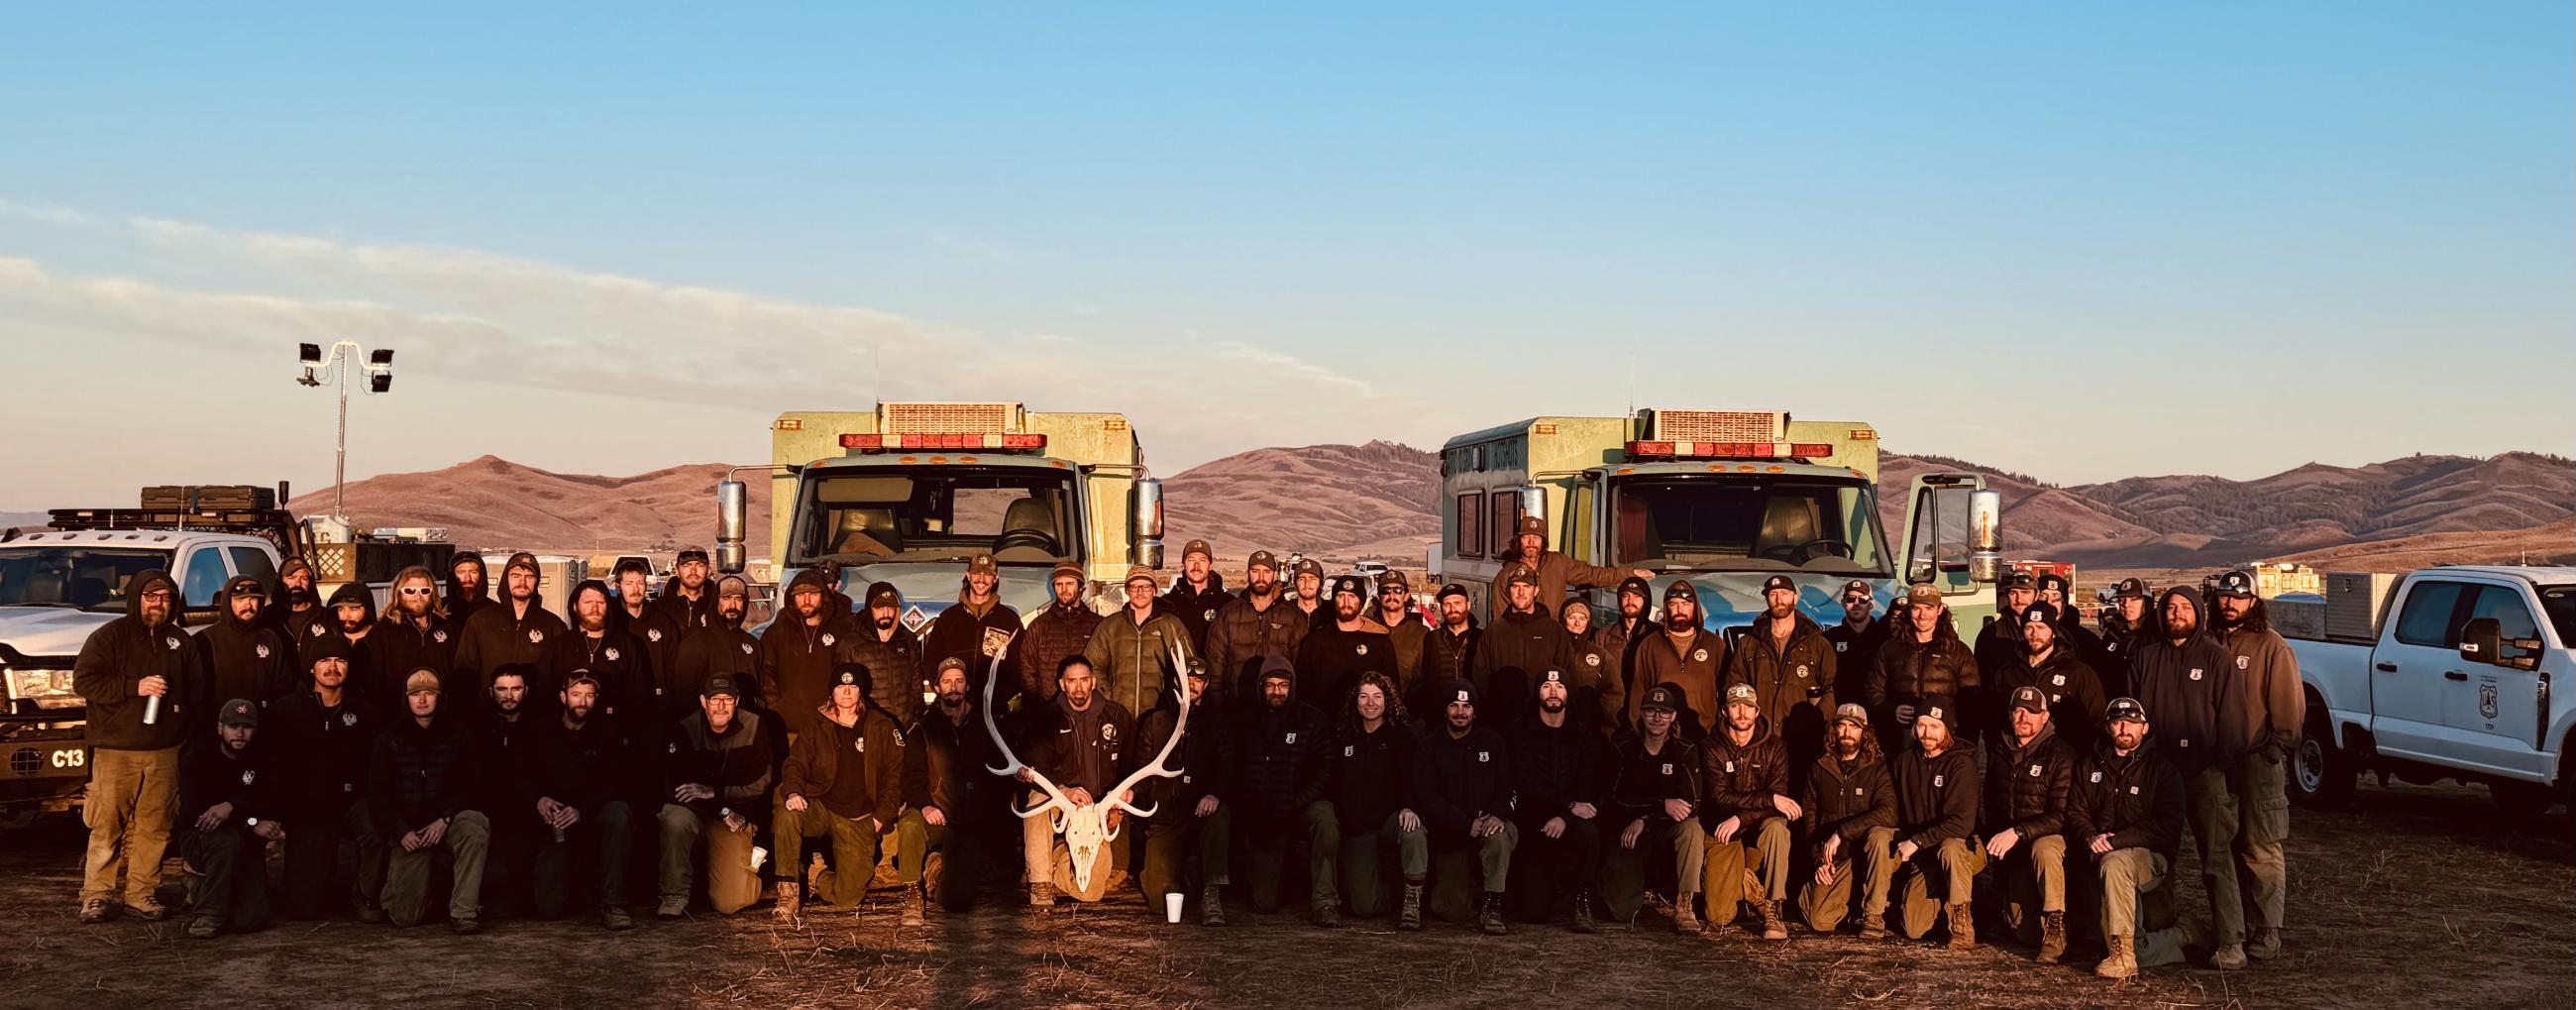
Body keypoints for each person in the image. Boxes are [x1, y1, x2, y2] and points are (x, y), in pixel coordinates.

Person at [72, 569, 201, 923]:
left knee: (156, 827)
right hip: (116, 750)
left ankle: (142, 894)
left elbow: (197, 694)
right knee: (107, 826)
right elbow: (84, 681)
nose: (159, 604)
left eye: (166, 598)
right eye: (152, 597)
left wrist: (182, 731)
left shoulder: (181, 641)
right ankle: (97, 896)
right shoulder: (109, 637)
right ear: (137, 599)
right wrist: (134, 687)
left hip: (165, 752)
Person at [2126, 585, 2239, 966]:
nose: (2176, 613)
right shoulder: (2144, 657)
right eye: (2169, 607)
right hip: (2155, 775)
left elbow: (2232, 719)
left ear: (2198, 614)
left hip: (2204, 774)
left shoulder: (2216, 659)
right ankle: (2164, 931)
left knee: (2216, 859)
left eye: (2184, 608)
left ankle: (2231, 941)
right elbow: (2130, 715)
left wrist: (2220, 763)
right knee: (2157, 857)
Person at [2210, 569, 2304, 967]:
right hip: (2215, 762)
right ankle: (2234, 929)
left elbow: (2290, 709)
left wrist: (2274, 750)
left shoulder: (2271, 647)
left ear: (2254, 601)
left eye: (2239, 597)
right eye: (2224, 597)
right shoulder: (2208, 643)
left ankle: (2267, 929)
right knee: (2222, 850)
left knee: (2260, 848)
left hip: (2257, 761)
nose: (2229, 603)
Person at [2072, 698, 2196, 979]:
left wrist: (2117, 841)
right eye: (2117, 722)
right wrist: (2089, 836)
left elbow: (2168, 826)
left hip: (2149, 858)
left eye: (2132, 722)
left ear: (2145, 728)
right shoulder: (2088, 765)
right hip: (2099, 854)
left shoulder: (2163, 770)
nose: (2124, 728)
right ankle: (2182, 935)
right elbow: (2075, 811)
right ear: (2108, 727)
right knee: (2111, 867)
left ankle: (2123, 956)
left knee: (2115, 863)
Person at [266, 636, 387, 922]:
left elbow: (378, 767)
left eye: (340, 661)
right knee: (304, 909)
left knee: (376, 824)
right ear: (311, 668)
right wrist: (280, 813)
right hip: (308, 811)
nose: (333, 667)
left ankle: (366, 894)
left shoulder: (365, 711)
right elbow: (273, 767)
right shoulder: (285, 711)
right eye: (324, 661)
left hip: (351, 804)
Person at [773, 665, 906, 917]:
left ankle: (817, 875)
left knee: (848, 897)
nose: (846, 692)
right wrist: (793, 792)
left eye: (852, 686)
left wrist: (880, 818)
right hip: (821, 805)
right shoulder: (817, 725)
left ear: (861, 691)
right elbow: (795, 763)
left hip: (858, 816)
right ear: (831, 692)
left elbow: (895, 777)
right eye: (840, 687)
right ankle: (788, 891)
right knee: (786, 810)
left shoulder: (882, 726)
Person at [370, 670, 491, 932]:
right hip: (411, 830)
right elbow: (379, 795)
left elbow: (470, 785)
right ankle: (430, 891)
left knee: (475, 825)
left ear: (440, 698)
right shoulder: (390, 738)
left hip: (446, 822)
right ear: (406, 698)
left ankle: (463, 911)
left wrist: (445, 818)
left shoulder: (459, 735)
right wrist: (401, 831)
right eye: (415, 694)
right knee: (403, 916)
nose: (422, 699)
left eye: (429, 694)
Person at [1016, 656, 1139, 908]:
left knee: (1091, 892)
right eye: (1072, 681)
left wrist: (1121, 802)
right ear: (1062, 684)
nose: (1079, 687)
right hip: (1060, 800)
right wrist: (1063, 790)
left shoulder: (1117, 715)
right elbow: (1036, 765)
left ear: (1093, 681)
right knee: (1036, 804)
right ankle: (1040, 883)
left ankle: (1054, 857)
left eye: (1084, 680)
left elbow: (1132, 764)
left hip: (1098, 807)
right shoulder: (1047, 717)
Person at [656, 674, 779, 918]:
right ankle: (674, 894)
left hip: (736, 816)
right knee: (674, 818)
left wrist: (717, 794)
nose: (721, 706)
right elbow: (679, 787)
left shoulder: (755, 725)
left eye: (728, 699)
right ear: (703, 701)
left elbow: (760, 782)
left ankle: (752, 877)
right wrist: (720, 807)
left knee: (730, 903)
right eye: (714, 700)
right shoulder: (684, 728)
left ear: (737, 701)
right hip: (702, 812)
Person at [1313, 672, 1424, 927]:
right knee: (1364, 907)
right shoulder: (1344, 736)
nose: (1370, 703)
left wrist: (1409, 807)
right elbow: (1331, 782)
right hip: (1358, 828)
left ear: (1388, 701)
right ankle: (1388, 888)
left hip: (1389, 820)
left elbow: (1412, 780)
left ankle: (1413, 899)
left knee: (1413, 829)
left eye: (1377, 696)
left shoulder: (1402, 736)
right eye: (1364, 696)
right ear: (1356, 701)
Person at [897, 657, 1004, 920]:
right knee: (910, 823)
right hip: (935, 815)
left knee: (958, 901)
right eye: (947, 681)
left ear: (967, 686)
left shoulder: (987, 727)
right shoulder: (922, 730)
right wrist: (925, 804)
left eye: (959, 681)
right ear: (937, 687)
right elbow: (911, 778)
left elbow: (997, 774)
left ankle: (936, 868)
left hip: (968, 822)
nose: (953, 687)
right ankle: (912, 892)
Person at [532, 673, 641, 930]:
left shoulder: (608, 733)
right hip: (553, 823)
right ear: (563, 697)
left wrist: (582, 810)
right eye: (576, 694)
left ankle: (613, 903)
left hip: (592, 815)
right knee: (549, 910)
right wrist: (539, 799)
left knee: (618, 813)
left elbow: (617, 783)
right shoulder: (541, 731)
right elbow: (522, 775)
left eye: (589, 695)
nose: (582, 701)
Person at [1507, 668, 1611, 933]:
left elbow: (1588, 784)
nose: (1553, 692)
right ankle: (1545, 888)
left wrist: (1566, 815)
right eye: (1546, 686)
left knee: (1590, 832)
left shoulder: (1582, 734)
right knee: (1532, 913)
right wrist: (1565, 806)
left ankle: (1582, 899)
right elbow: (1525, 780)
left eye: (1559, 687)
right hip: (1535, 821)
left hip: (1570, 821)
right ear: (1537, 693)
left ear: (1568, 693)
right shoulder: (1521, 730)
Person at [1230, 656, 1332, 919]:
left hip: (1299, 807)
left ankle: (1325, 900)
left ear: (1292, 686)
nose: (1277, 691)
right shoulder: (1245, 721)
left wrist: (1298, 801)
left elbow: (1325, 771)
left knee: (1325, 818)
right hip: (1263, 815)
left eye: (1283, 685)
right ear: (1261, 687)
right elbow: (1236, 769)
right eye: (1271, 685)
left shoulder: (1312, 719)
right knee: (1265, 903)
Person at [1412, 680, 1516, 935]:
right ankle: (1470, 887)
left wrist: (1499, 814)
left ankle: (1493, 905)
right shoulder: (1429, 745)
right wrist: (1464, 822)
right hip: (1451, 829)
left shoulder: (1493, 742)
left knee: (1499, 837)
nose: (1460, 712)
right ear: (1445, 710)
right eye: (1454, 705)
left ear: (1475, 711)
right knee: (1450, 910)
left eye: (1467, 706)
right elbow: (1426, 796)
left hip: (1488, 822)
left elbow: (1508, 786)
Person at [1983, 686, 2078, 962]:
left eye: (2032, 712)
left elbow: (2062, 815)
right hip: (2015, 850)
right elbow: (1991, 803)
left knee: (2045, 847)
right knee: (2022, 933)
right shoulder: (2000, 750)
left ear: (2045, 716)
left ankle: (2055, 924)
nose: (2023, 717)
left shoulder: (2061, 755)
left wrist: (2019, 831)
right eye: (2017, 710)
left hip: (2051, 842)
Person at [1599, 684, 1705, 932]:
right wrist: (1660, 805)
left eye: (1664, 712)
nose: (1657, 718)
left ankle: (1685, 904)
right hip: (1629, 832)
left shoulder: (1685, 749)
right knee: (1623, 912)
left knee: (1692, 828)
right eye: (1651, 711)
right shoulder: (1623, 746)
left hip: (1663, 829)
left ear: (1673, 717)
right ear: (1642, 714)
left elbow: (1693, 804)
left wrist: (1645, 816)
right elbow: (1613, 800)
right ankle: (1612, 883)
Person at [1697, 682, 1797, 942]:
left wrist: (1742, 816)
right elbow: (1720, 797)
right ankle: (1749, 886)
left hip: (1757, 828)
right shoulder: (1711, 746)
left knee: (1778, 828)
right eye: (1735, 705)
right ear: (1724, 711)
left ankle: (1774, 907)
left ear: (1757, 712)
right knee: (1718, 916)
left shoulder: (1775, 747)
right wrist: (1769, 798)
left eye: (1748, 707)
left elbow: (1779, 803)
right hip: (1723, 829)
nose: (1742, 712)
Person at [1138, 659, 1232, 926]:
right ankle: (1188, 874)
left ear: (1206, 685)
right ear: (1175, 683)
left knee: (1220, 817)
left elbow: (1228, 764)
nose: (1192, 684)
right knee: (1159, 900)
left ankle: (1210, 892)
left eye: (1198, 680)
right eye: (1185, 678)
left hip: (1200, 813)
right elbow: (1142, 770)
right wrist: (1131, 795)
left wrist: (1214, 793)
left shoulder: (1217, 722)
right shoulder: (1156, 721)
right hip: (1166, 816)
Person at [177, 699, 279, 938]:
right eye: (234, 726)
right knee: (226, 840)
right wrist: (251, 821)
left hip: (246, 837)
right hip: (201, 839)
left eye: (247, 727)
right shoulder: (197, 758)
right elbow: (198, 815)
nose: (240, 733)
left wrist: (232, 807)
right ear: (220, 728)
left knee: (250, 921)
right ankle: (208, 914)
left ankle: (199, 888)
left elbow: (270, 800)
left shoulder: (264, 758)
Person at [1725, 575, 1836, 791]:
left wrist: (1816, 727)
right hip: (1759, 740)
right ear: (1767, 599)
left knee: (1800, 799)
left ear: (1795, 598)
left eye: (1784, 593)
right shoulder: (1749, 643)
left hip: (1801, 741)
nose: (1779, 599)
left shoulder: (1818, 644)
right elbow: (1734, 685)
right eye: (1773, 594)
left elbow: (1831, 689)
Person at [1888, 694, 1982, 948]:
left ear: (1947, 729)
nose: (1927, 732)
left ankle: (1962, 920)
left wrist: (1917, 841)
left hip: (1961, 850)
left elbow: (1961, 824)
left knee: (1951, 846)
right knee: (1914, 928)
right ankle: (1940, 902)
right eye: (1922, 725)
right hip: (1924, 855)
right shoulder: (1904, 762)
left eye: (1935, 726)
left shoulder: (1961, 764)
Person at [1797, 703, 1894, 938]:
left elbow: (1889, 811)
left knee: (1880, 835)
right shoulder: (1819, 766)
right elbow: (1809, 814)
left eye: (1854, 726)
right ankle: (1851, 904)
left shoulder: (1878, 766)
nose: (1847, 732)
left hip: (1868, 853)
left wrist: (1842, 833)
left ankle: (1873, 914)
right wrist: (1818, 857)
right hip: (1837, 859)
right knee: (1819, 920)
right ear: (1834, 730)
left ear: (1865, 732)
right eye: (1842, 726)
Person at [1866, 583, 1979, 756]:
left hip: (1943, 740)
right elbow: (1874, 690)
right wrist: (1891, 709)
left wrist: (1955, 731)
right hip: (1900, 740)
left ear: (1939, 610)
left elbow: (1970, 701)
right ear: (1908, 611)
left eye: (1928, 608)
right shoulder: (1889, 649)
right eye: (1916, 608)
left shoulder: (1957, 651)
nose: (1922, 615)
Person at [453, 552, 567, 713]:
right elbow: (465, 670)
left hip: (537, 718)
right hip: (488, 716)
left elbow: (560, 677)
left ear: (537, 581)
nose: (522, 581)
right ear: (506, 579)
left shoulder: (553, 625)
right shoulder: (480, 622)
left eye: (529, 576)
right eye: (516, 575)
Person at [475, 664, 545, 917]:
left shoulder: (540, 726)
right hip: (487, 814)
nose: (508, 695)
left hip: (528, 815)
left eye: (515, 689)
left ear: (526, 690)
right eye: (502, 689)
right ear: (491, 691)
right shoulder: (477, 727)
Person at [1487, 514, 1650, 621]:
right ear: (1518, 541)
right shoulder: (1506, 575)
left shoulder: (1558, 562)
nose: (1531, 542)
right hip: (1522, 639)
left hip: (1555, 636)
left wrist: (1631, 572)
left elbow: (1594, 574)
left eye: (1536, 537)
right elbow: (1499, 619)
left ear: (1543, 541)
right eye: (1526, 537)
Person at [1085, 566, 1197, 720]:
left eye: (1146, 586)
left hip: (1159, 716)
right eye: (1134, 587)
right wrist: (1108, 696)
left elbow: (1189, 668)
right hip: (1118, 715)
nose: (1140, 592)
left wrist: (1170, 700)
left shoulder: (1171, 625)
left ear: (1154, 590)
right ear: (1127, 591)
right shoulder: (1110, 625)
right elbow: (1091, 666)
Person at [1996, 602, 2109, 751]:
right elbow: (1995, 718)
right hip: (2019, 758)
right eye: (2029, 627)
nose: (2035, 634)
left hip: (2066, 758)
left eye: (2041, 627)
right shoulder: (2007, 672)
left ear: (2054, 632)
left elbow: (2097, 720)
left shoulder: (2078, 673)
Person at [1203, 551, 1311, 706]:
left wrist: (1295, 704)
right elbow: (1215, 662)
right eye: (1255, 571)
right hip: (1237, 704)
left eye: (1266, 572)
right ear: (1248, 574)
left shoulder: (1291, 616)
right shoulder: (1229, 613)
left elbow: (1301, 666)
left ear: (1274, 575)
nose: (1261, 577)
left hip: (1278, 703)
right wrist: (1216, 703)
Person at [550, 579, 654, 728]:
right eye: (588, 602)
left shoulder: (627, 645)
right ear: (575, 606)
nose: (595, 608)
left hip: (613, 736)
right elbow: (546, 694)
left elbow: (640, 697)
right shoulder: (559, 645)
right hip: (566, 735)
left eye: (600, 602)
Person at [760, 569, 852, 734]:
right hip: (786, 727)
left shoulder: (841, 632)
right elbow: (765, 673)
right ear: (792, 598)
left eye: (812, 594)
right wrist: (778, 708)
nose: (806, 600)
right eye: (800, 595)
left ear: (823, 596)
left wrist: (836, 710)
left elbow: (847, 675)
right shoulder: (775, 633)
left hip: (828, 727)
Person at [923, 553, 1020, 711]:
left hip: (993, 710)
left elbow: (1018, 667)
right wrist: (946, 692)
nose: (981, 579)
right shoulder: (948, 618)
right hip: (954, 708)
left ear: (995, 578)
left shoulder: (1009, 620)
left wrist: (997, 698)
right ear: (968, 576)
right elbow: (931, 659)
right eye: (976, 573)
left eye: (987, 574)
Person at [1471, 565, 1570, 717]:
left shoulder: (1553, 630)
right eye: (1515, 586)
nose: (1521, 592)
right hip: (1502, 718)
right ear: (1507, 591)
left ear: (1536, 590)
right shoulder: (1494, 631)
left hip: (1543, 719)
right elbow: (1480, 678)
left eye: (1527, 586)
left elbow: (1568, 675)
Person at [192, 576, 294, 724]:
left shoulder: (270, 639)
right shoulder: (205, 640)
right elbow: (195, 691)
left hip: (262, 724)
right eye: (240, 600)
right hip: (218, 727)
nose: (248, 605)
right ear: (228, 602)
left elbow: (284, 687)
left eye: (253, 599)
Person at [1630, 581, 1726, 735]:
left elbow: (1725, 693)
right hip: (1661, 735)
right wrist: (1639, 732)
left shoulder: (1715, 645)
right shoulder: (1650, 644)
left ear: (1696, 607)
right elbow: (1638, 693)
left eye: (1686, 604)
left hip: (1704, 733)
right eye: (1673, 604)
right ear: (1666, 608)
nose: (1680, 609)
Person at [1294, 575, 1397, 709]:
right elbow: (1303, 691)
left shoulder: (1379, 642)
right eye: (1341, 595)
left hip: (1367, 723)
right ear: (1334, 600)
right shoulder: (1315, 641)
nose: (1346, 601)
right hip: (1324, 723)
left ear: (1361, 602)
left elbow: (1391, 691)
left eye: (1352, 596)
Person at [370, 566, 457, 721]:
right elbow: (374, 679)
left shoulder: (449, 629)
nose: (418, 596)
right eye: (410, 591)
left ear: (433, 594)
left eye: (424, 591)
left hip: (443, 717)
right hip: (396, 718)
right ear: (399, 593)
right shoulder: (382, 631)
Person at [1011, 562, 1097, 711]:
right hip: (1049, 709)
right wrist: (1037, 704)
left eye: (1069, 583)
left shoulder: (1097, 624)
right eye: (1059, 584)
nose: (1064, 590)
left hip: (1088, 707)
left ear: (1080, 585)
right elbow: (1027, 670)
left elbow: (1105, 667)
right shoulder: (1039, 626)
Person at [672, 575, 761, 710]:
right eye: (726, 598)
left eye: (738, 599)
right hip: (708, 725)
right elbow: (683, 694)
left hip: (746, 725)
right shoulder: (695, 644)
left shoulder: (753, 644)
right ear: (716, 601)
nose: (733, 605)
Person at [609, 559, 686, 719]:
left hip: (657, 707)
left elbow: (674, 671)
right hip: (618, 707)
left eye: (640, 583)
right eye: (629, 583)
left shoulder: (663, 624)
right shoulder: (610, 622)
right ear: (618, 586)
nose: (636, 589)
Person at [845, 581, 927, 724]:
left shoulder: (908, 640)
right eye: (880, 607)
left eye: (891, 607)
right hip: (870, 727)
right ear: (870, 609)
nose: (886, 613)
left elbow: (916, 685)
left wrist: (915, 717)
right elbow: (844, 691)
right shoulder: (851, 644)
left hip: (905, 726)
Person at [1595, 576, 1660, 723]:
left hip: (1647, 717)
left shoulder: (1657, 635)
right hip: (1611, 717)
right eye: (1625, 596)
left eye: (1637, 596)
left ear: (1646, 600)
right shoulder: (1603, 635)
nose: (1630, 601)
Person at [1821, 580, 1890, 708]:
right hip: (1839, 710)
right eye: (1851, 599)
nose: (1856, 603)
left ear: (1871, 604)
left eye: (1863, 599)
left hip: (1876, 710)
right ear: (1843, 603)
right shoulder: (1829, 638)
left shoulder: (1886, 638)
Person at [1558, 600, 1624, 731]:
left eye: (1582, 618)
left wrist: (1607, 728)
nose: (1577, 623)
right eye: (1572, 617)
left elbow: (1613, 693)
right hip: (1555, 725)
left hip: (1589, 728)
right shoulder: (1553, 649)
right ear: (1563, 619)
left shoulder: (1600, 654)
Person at [1418, 584, 1481, 720]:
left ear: (1468, 605)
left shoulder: (1481, 638)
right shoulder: (1431, 638)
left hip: (1474, 714)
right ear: (1441, 608)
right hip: (1438, 716)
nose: (1453, 609)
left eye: (1458, 603)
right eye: (1447, 604)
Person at [1164, 539, 1232, 653]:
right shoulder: (1167, 603)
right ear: (1183, 564)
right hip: (1178, 669)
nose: (1196, 565)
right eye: (1191, 560)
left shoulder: (1227, 603)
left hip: (1215, 670)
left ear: (1210, 565)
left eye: (1202, 560)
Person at [2091, 578, 2153, 701]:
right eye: (2122, 599)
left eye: (2134, 599)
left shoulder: (2157, 635)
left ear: (2147, 602)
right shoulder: (2112, 634)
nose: (2126, 604)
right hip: (2115, 704)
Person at [320, 582, 380, 704]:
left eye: (354, 609)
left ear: (368, 609)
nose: (346, 616)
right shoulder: (327, 640)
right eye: (341, 609)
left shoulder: (382, 640)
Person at [1975, 571, 2039, 683]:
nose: (2019, 599)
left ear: (2037, 594)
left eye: (2025, 592)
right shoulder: (1991, 634)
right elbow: (1981, 676)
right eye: (2013, 593)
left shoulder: (2051, 632)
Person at [1373, 570, 1428, 691]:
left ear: (1406, 595)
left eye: (1398, 590)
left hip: (1411, 704)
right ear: (1378, 596)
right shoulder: (1368, 629)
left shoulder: (1422, 633)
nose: (1392, 596)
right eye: (1385, 591)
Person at [653, 546, 720, 640]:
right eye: (687, 565)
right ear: (677, 570)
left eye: (700, 565)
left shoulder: (718, 609)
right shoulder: (657, 608)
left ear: (708, 570)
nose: (693, 571)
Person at [272, 558, 331, 654]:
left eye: (304, 578)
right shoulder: (267, 617)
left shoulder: (326, 617)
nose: (298, 583)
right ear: (280, 581)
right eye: (291, 578)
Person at [444, 553, 490, 626]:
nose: (467, 578)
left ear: (481, 576)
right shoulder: (438, 608)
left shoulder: (494, 611)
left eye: (473, 572)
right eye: (461, 572)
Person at [1289, 557, 1330, 630]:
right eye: (1301, 579)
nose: (1307, 584)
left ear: (1321, 583)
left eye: (1313, 579)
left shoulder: (1331, 613)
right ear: (1295, 584)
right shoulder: (1285, 611)